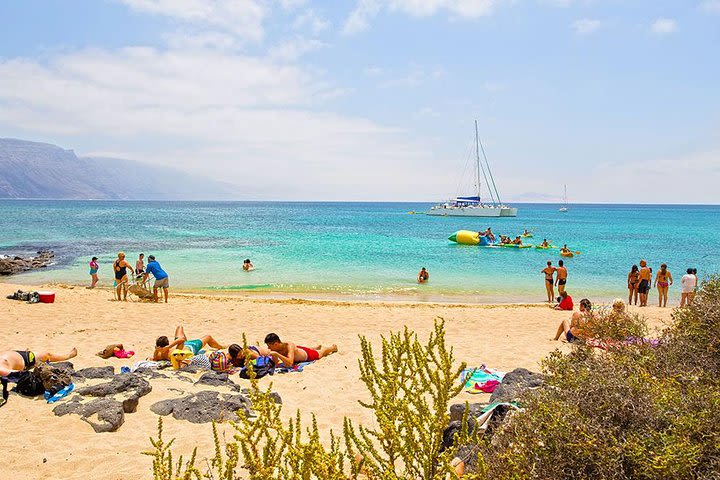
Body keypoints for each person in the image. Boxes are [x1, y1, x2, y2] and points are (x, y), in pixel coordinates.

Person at [152, 326, 225, 362]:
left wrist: (168, 347)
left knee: (179, 327)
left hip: (184, 344)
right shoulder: (170, 354)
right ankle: (221, 346)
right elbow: (155, 358)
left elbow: (182, 340)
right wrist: (160, 349)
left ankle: (220, 346)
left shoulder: (163, 353)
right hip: (191, 347)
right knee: (208, 337)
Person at [264, 333, 338, 365]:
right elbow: (276, 363)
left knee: (322, 353)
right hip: (299, 350)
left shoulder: (289, 345)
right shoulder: (275, 349)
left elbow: (290, 363)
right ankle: (314, 347)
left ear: (276, 344)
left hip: (308, 355)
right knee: (300, 349)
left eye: (269, 345)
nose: (268, 348)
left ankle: (332, 348)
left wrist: (277, 354)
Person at [0, 348, 77, 376]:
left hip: (14, 354)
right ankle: (67, 356)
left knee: (46, 355)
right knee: (47, 355)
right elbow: (18, 374)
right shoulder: (2, 370)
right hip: (25, 360)